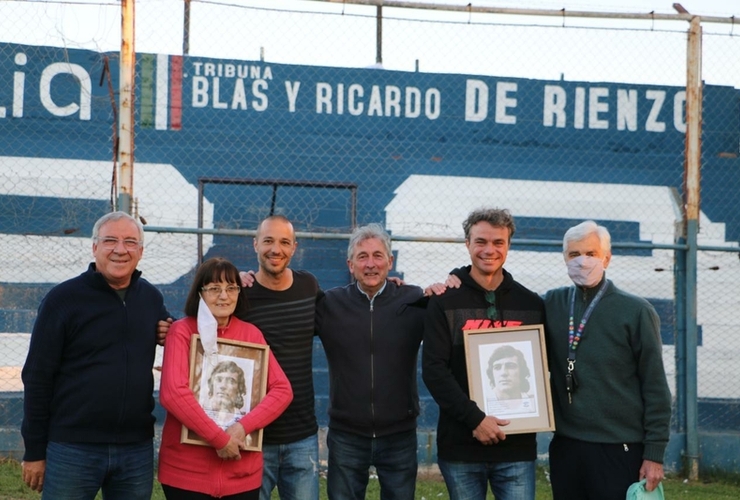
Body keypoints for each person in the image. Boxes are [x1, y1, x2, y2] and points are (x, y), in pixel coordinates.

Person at [20, 211, 171, 498]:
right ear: (94, 247)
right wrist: (35, 451)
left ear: (140, 251)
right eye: (110, 240)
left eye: (129, 242)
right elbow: (37, 377)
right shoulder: (62, 300)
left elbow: (178, 329)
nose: (120, 249)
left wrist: (169, 328)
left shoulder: (151, 299)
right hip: (72, 448)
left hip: (135, 449)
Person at [543, 220, 671, 500]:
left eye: (590, 253)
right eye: (574, 254)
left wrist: (654, 455)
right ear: (564, 258)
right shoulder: (551, 303)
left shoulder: (636, 311)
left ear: (607, 258)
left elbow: (656, 387)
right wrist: (453, 284)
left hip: (620, 447)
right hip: (567, 446)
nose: (582, 261)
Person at [422, 208, 544, 500]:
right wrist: (475, 419)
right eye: (481, 241)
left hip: (517, 447)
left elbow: (541, 369)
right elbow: (434, 370)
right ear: (467, 243)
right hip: (461, 445)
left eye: (498, 242)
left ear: (508, 245)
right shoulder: (444, 302)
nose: (489, 250)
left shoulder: (532, 304)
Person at [158, 257, 293, 499]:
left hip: (241, 475)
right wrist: (220, 439)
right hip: (187, 476)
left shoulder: (251, 335)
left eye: (231, 288)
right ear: (200, 293)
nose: (224, 296)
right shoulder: (182, 331)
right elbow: (173, 393)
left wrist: (242, 428)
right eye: (214, 289)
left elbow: (282, 390)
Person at [315, 223, 427, 500]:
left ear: (390, 262)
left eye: (378, 256)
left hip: (399, 434)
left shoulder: (414, 300)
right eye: (362, 257)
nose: (370, 264)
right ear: (350, 264)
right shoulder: (329, 304)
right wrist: (247, 280)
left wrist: (448, 282)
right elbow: (283, 305)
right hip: (346, 434)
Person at [240, 215, 321, 500]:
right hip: (252, 436)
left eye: (284, 242)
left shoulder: (308, 287)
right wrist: (228, 281)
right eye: (268, 241)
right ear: (255, 244)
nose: (276, 249)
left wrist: (390, 288)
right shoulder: (240, 294)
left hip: (302, 436)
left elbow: (352, 311)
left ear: (294, 248)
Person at [204, 360, 249, 429]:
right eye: (219, 380)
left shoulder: (244, 422)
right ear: (212, 385)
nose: (223, 386)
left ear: (239, 389)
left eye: (230, 381)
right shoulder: (201, 414)